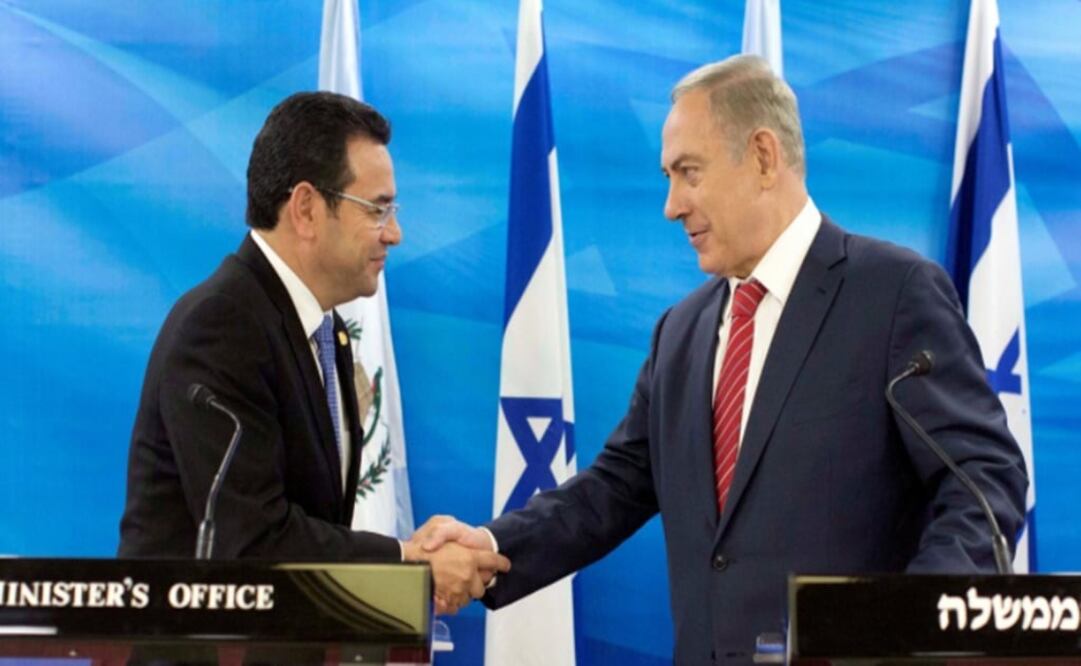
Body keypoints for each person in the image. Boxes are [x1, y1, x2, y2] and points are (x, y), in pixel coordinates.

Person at [420, 55, 1028, 662]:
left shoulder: (893, 292)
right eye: (667, 177)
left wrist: (909, 625)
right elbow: (612, 490)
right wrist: (490, 546)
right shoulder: (680, 332)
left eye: (688, 172)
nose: (671, 204)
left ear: (764, 156)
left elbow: (982, 479)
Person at [118, 91, 508, 613]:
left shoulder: (327, 335)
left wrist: (409, 556)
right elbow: (249, 540)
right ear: (305, 208)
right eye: (378, 209)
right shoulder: (221, 326)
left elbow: (313, 522)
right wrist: (406, 561)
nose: (395, 233)